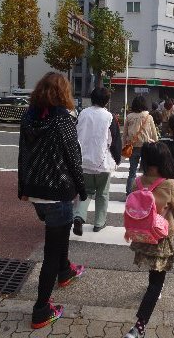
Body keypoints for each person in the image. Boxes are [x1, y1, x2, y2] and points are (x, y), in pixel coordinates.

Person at [18, 72, 87, 329]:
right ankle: (41, 310)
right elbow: (73, 158)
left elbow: (23, 155)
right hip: (58, 192)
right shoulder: (64, 120)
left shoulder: (28, 118)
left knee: (58, 239)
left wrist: (23, 188)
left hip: (36, 192)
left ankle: (66, 270)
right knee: (51, 251)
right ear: (63, 92)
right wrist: (82, 189)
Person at [123, 142, 174, 338]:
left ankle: (153, 291)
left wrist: (128, 230)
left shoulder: (138, 182)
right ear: (164, 161)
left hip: (142, 237)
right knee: (156, 282)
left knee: (154, 273)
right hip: (161, 238)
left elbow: (132, 210)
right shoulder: (169, 185)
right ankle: (138, 328)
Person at [73, 87, 122, 235]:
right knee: (102, 193)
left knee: (86, 192)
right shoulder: (109, 117)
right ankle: (99, 222)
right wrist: (117, 159)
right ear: (106, 101)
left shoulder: (82, 113)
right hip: (102, 162)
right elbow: (114, 142)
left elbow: (76, 134)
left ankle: (79, 216)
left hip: (84, 160)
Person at [123, 96, 158, 196]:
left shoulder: (129, 117)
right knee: (147, 172)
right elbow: (154, 133)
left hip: (132, 147)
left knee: (132, 171)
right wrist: (156, 144)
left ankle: (129, 193)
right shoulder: (148, 116)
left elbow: (124, 134)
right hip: (146, 147)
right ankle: (148, 193)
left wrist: (124, 146)